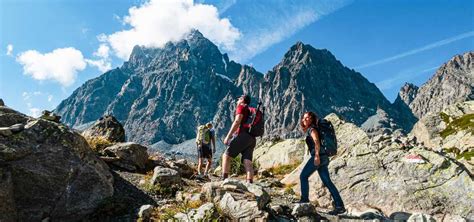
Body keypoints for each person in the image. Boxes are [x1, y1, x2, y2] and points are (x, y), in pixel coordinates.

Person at [298, 111, 346, 215]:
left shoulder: (312, 129)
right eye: (303, 118)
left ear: (311, 119)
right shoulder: (313, 129)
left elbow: (316, 142)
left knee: (303, 176)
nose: (304, 120)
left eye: (307, 118)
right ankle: (340, 206)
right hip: (324, 157)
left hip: (319, 156)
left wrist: (316, 156)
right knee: (328, 182)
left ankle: (304, 199)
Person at [222, 94, 256, 183]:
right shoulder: (249, 110)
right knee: (247, 161)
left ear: (242, 100)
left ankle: (224, 180)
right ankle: (250, 182)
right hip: (251, 138)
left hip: (242, 135)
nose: (237, 100)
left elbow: (237, 121)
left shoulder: (241, 107)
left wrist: (228, 136)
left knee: (226, 156)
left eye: (239, 98)